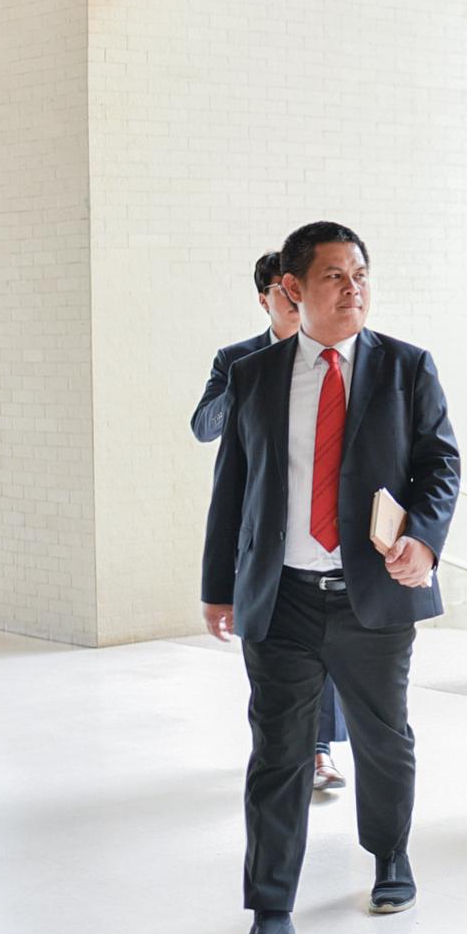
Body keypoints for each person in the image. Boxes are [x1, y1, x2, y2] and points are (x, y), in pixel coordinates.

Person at [201, 221, 462, 934]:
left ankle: (389, 856)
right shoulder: (255, 375)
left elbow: (440, 464)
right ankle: (270, 913)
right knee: (277, 754)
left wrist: (424, 539)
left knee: (384, 739)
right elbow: (233, 488)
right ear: (291, 289)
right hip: (280, 597)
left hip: (371, 594)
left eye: (360, 275)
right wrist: (218, 587)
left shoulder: (406, 367)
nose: (353, 290)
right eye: (334, 277)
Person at [191, 251, 351, 792]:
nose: (297, 297)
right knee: (276, 657)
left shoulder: (337, 355)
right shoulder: (238, 360)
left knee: (325, 649)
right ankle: (283, 749)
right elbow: (203, 427)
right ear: (266, 299)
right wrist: (245, 384)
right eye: (286, 290)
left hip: (325, 532)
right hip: (265, 534)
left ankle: (319, 751)